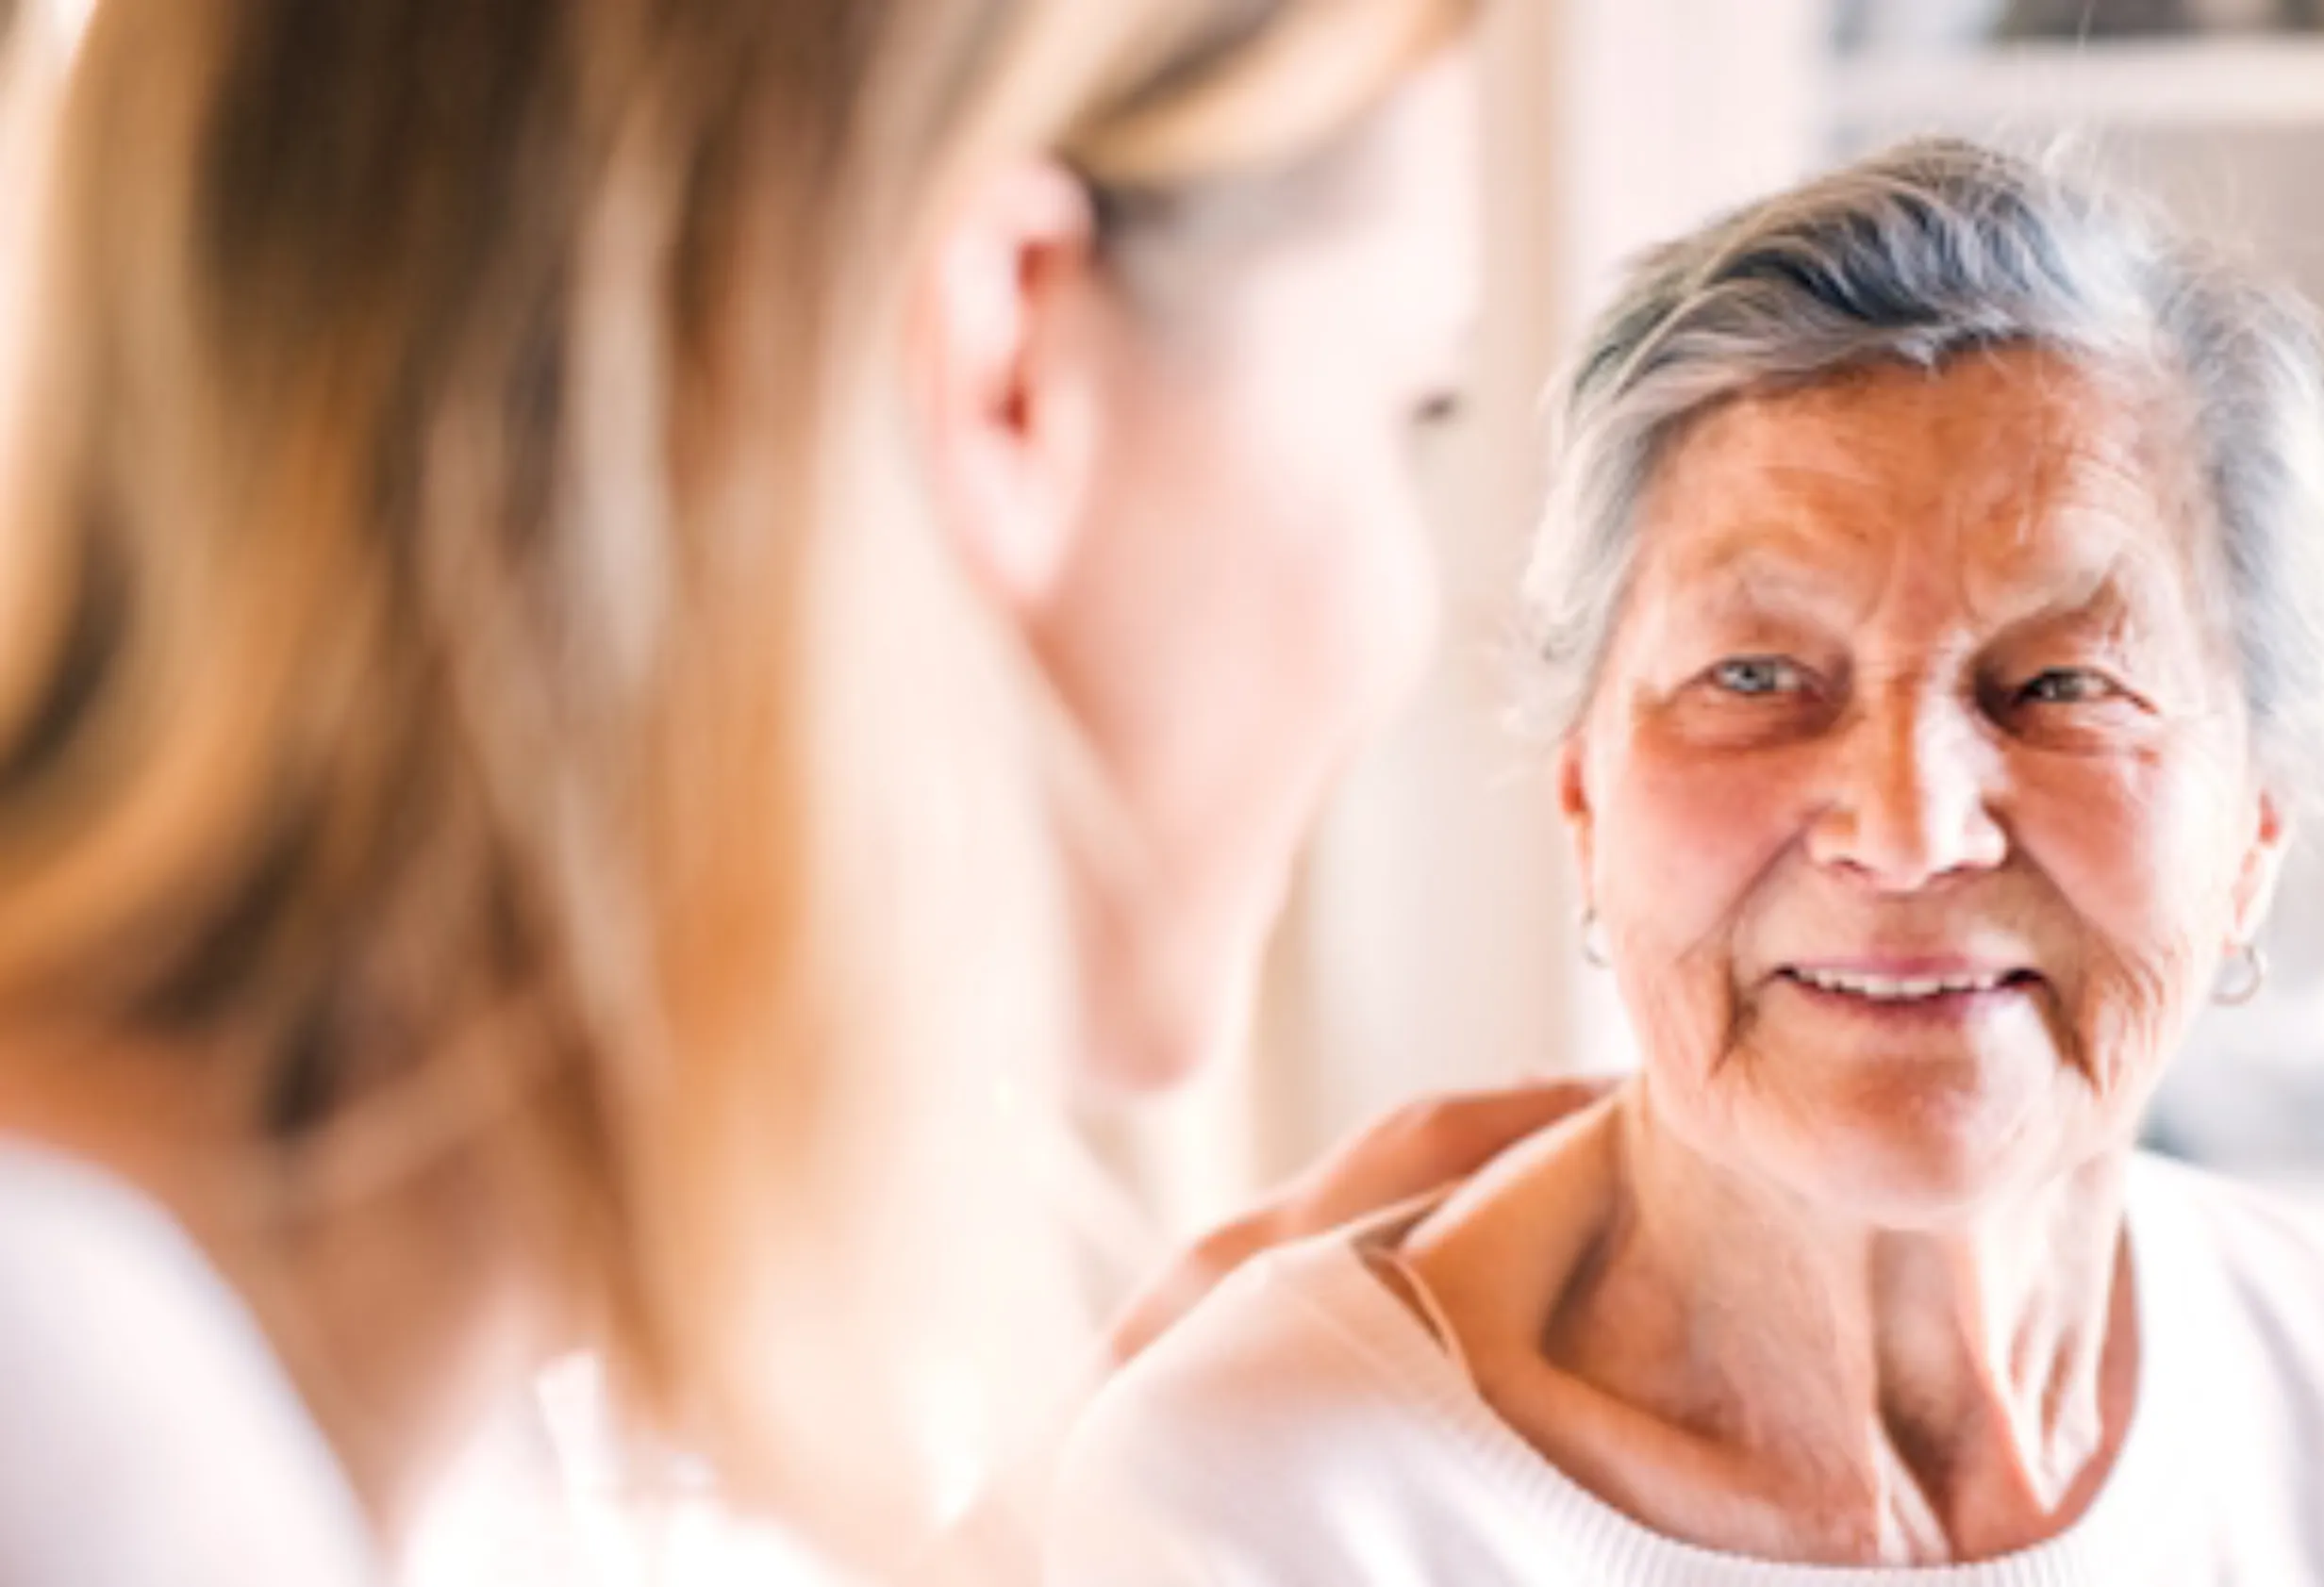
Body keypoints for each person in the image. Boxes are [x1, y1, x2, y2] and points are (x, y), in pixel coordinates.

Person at [0, 1, 1597, 1581]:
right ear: (1014, 357)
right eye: (1411, 408)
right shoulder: (81, 1447)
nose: (1407, 632)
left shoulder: (316, 1406)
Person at [1050, 139, 2324, 1585]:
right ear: (1585, 796)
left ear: (2255, 828)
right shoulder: (1246, 1509)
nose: (1908, 831)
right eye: (1757, 677)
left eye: (2059, 685)